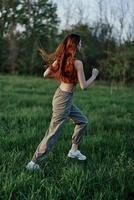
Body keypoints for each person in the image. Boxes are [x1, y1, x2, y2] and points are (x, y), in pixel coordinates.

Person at [26, 33, 99, 170]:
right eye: (80, 42)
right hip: (63, 100)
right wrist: (94, 75)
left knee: (82, 121)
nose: (81, 44)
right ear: (75, 45)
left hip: (62, 96)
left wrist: (61, 77)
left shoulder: (60, 60)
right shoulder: (77, 63)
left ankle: (74, 150)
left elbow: (46, 74)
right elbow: (83, 86)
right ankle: (34, 163)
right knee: (53, 132)